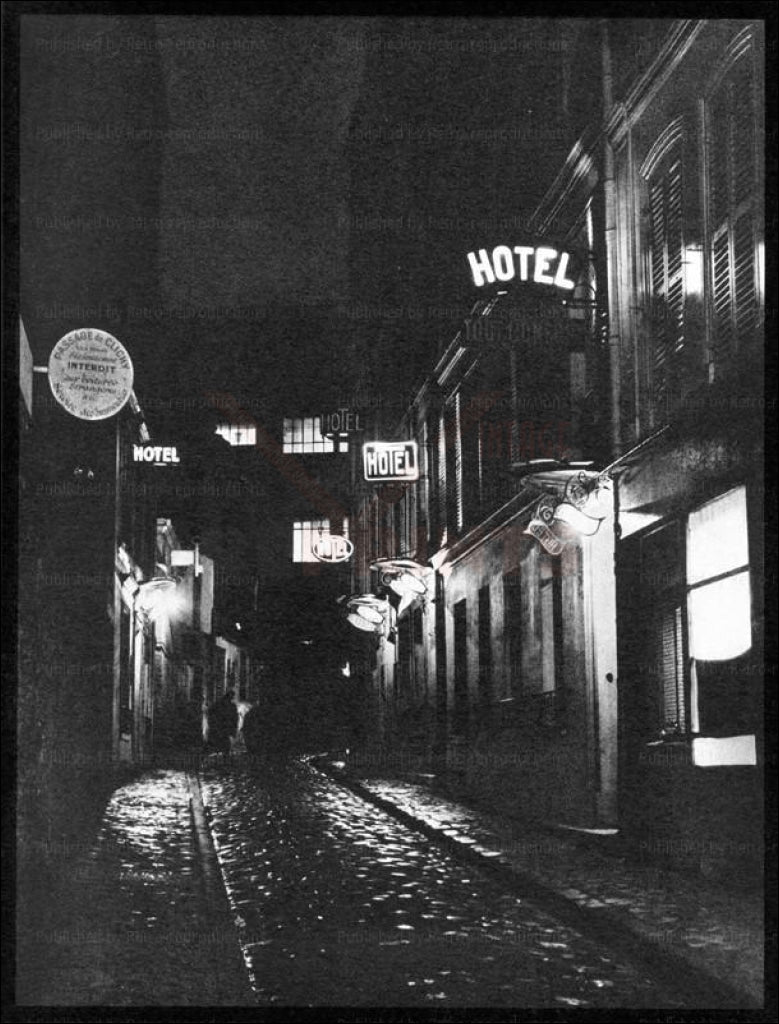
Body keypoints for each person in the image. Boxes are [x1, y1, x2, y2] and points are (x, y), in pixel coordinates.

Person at [207, 689, 238, 760]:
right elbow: (235, 720)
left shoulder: (216, 704)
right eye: (232, 697)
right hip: (223, 731)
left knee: (218, 748)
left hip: (218, 730)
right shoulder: (231, 706)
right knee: (224, 749)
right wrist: (233, 732)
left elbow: (210, 715)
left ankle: (218, 762)